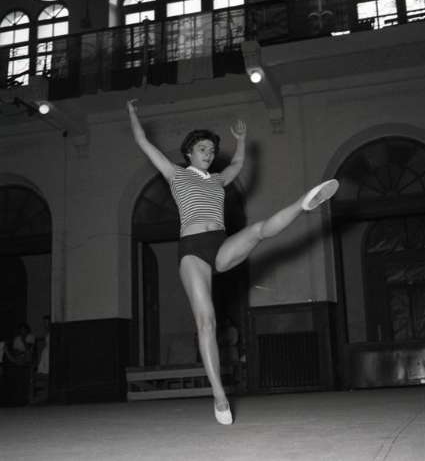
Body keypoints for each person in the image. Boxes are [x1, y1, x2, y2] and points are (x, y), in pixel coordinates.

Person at [127, 99, 339, 425]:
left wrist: (240, 140)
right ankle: (219, 396)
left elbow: (238, 164)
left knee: (258, 231)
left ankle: (304, 203)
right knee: (206, 322)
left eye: (212, 150)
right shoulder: (175, 175)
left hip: (220, 244)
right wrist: (132, 113)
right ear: (188, 153)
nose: (209, 154)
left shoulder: (218, 180)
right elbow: (143, 142)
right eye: (203, 149)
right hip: (192, 251)